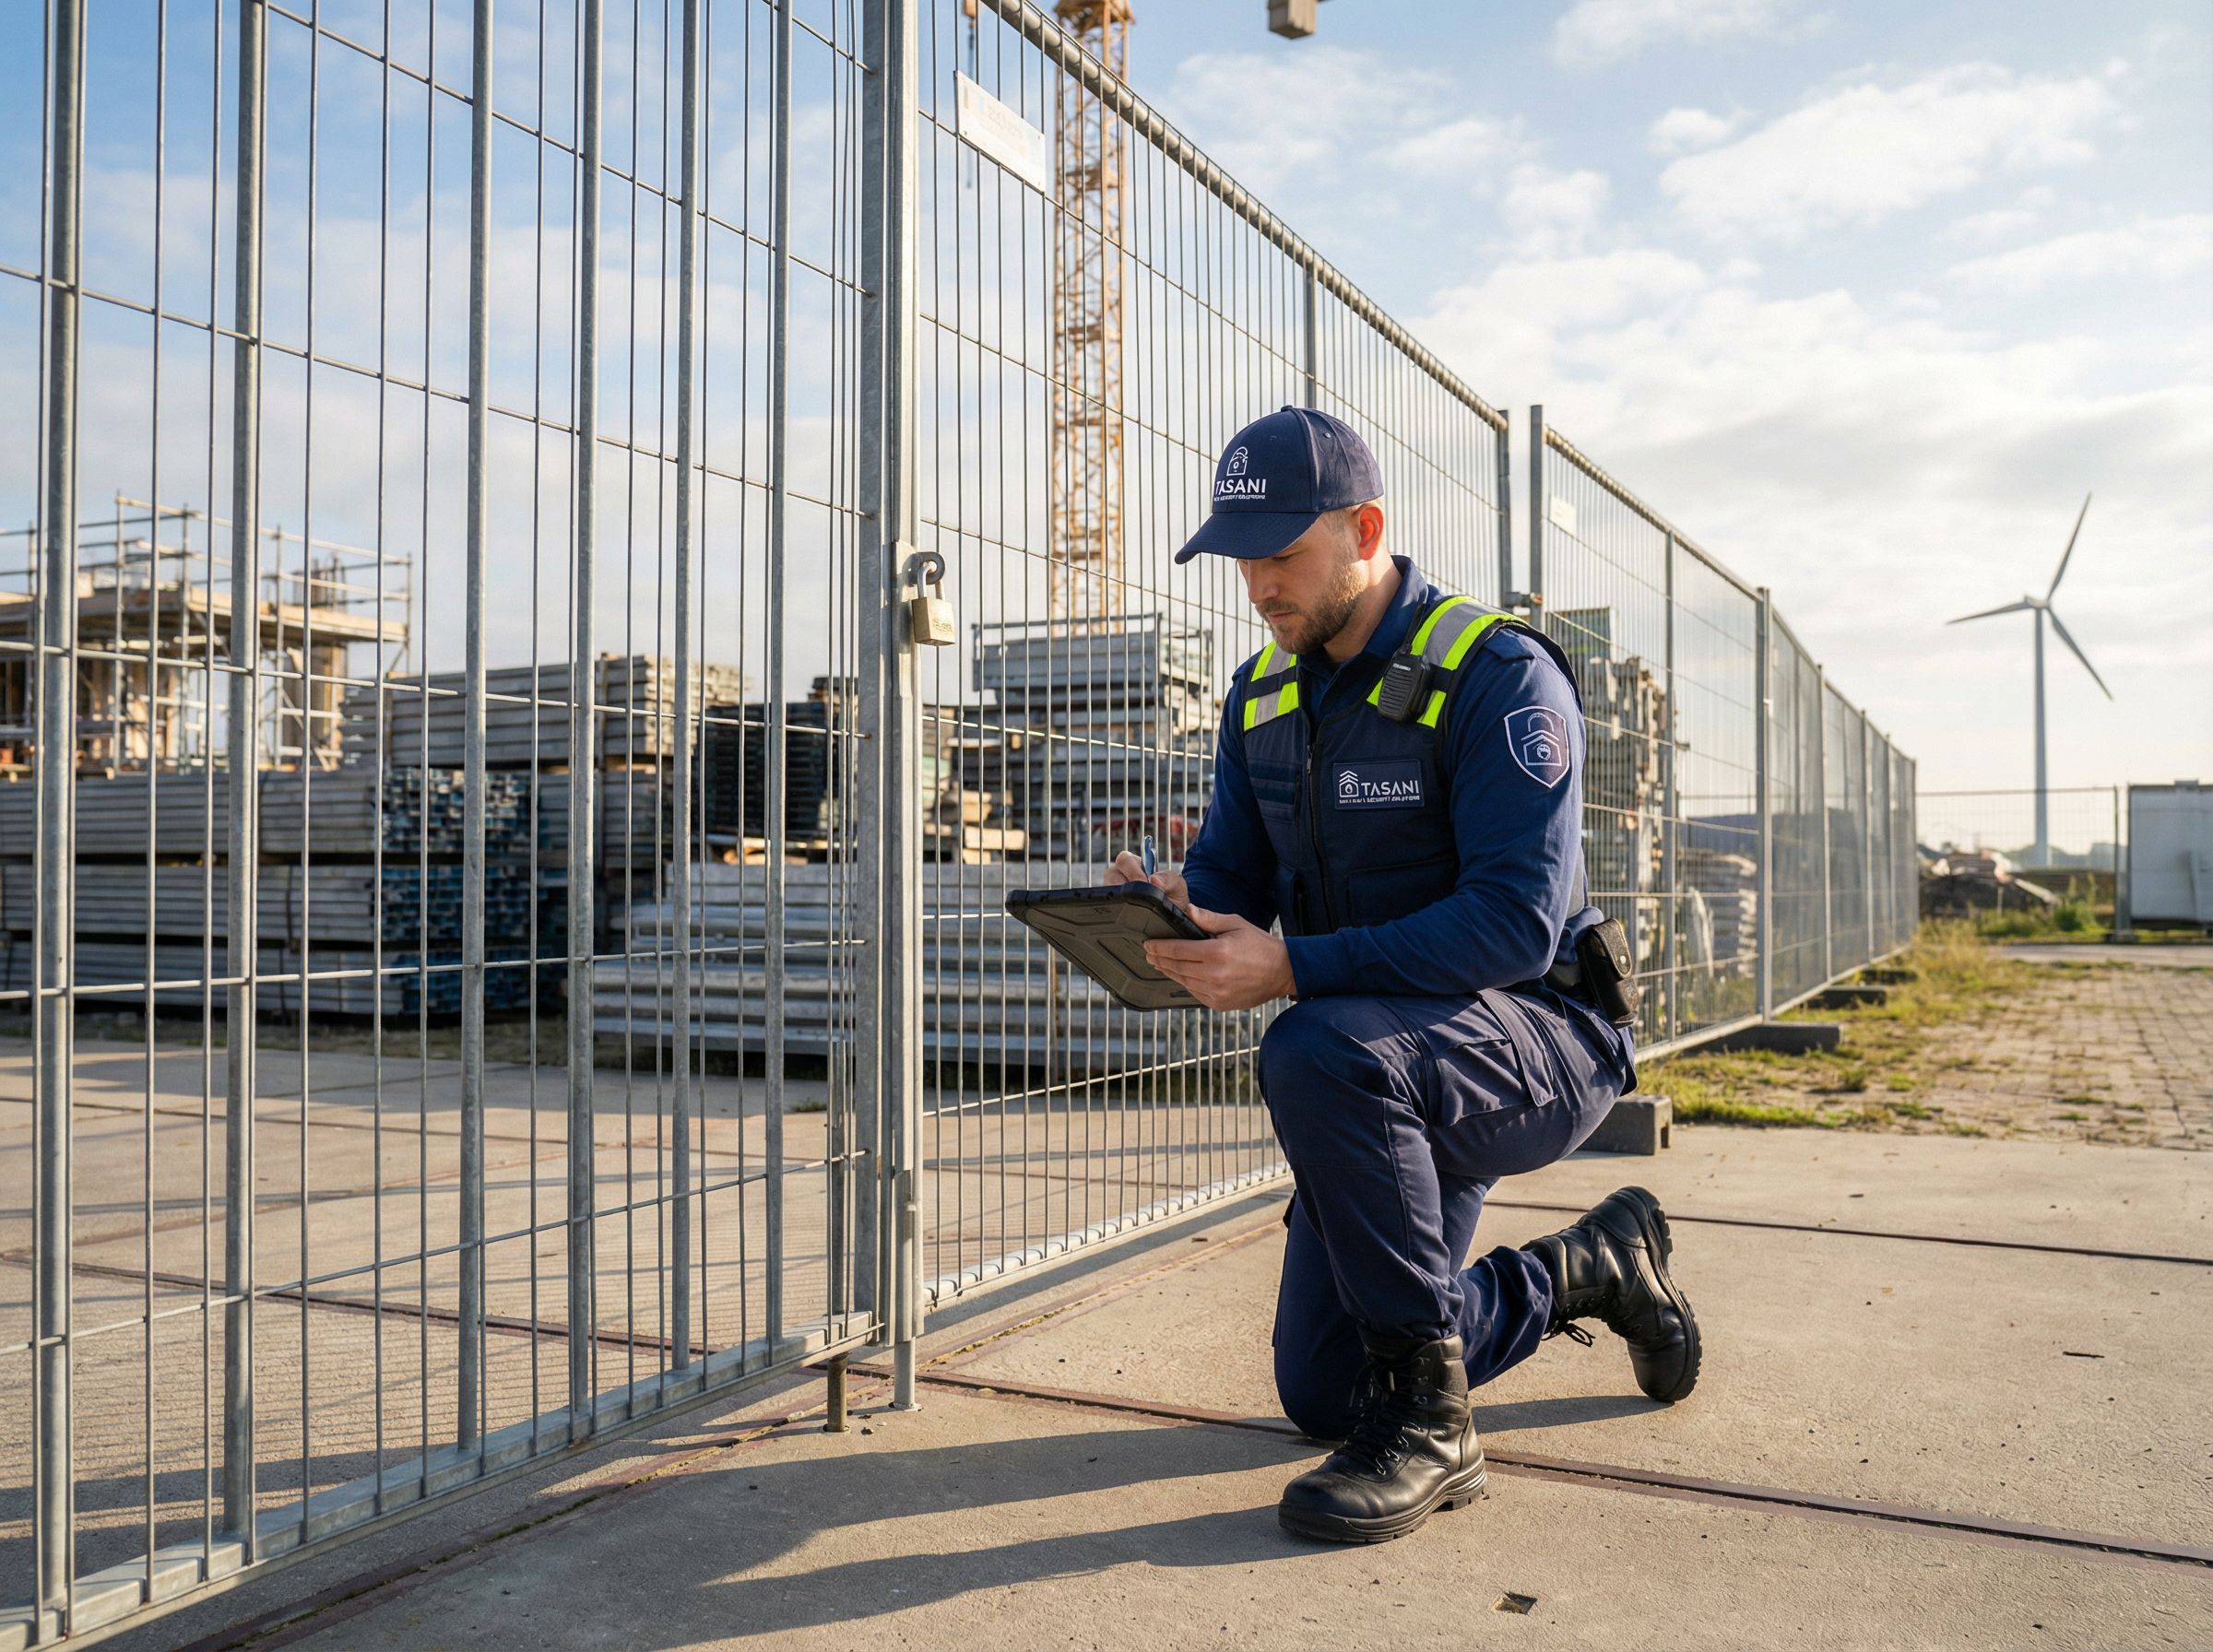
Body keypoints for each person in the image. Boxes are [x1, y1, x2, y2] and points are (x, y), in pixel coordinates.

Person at [1104, 406, 1700, 1545]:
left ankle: (1436, 1430)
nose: (1258, 585)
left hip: (1535, 1036)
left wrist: (1290, 965)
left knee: (1313, 1043)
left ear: (1366, 527)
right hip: (1386, 1058)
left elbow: (1516, 924)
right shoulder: (1263, 696)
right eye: (1242, 558)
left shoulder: (1496, 677)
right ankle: (1593, 1266)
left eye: (1283, 552)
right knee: (1326, 1395)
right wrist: (1174, 912)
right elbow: (1233, 881)